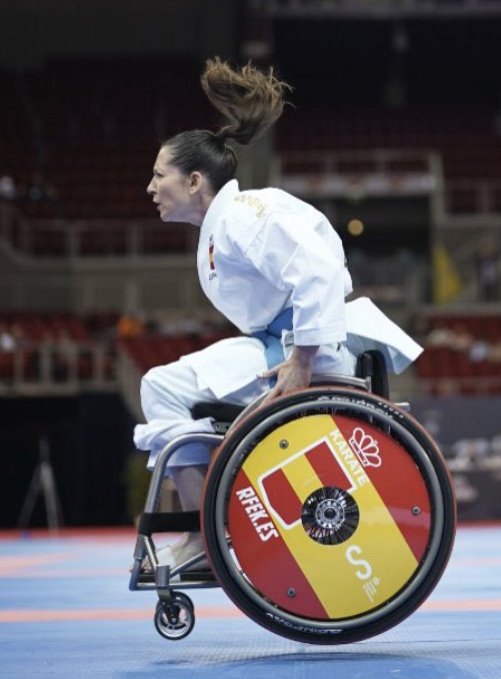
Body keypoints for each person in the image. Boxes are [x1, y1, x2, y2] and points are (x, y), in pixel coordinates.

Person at [134, 58, 422, 570]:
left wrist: (303, 360)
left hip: (306, 352)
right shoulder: (221, 229)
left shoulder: (246, 215)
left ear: (195, 180)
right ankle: (200, 526)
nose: (151, 188)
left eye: (160, 175)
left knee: (163, 386)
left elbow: (319, 271)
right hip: (279, 346)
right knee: (162, 385)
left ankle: (200, 534)